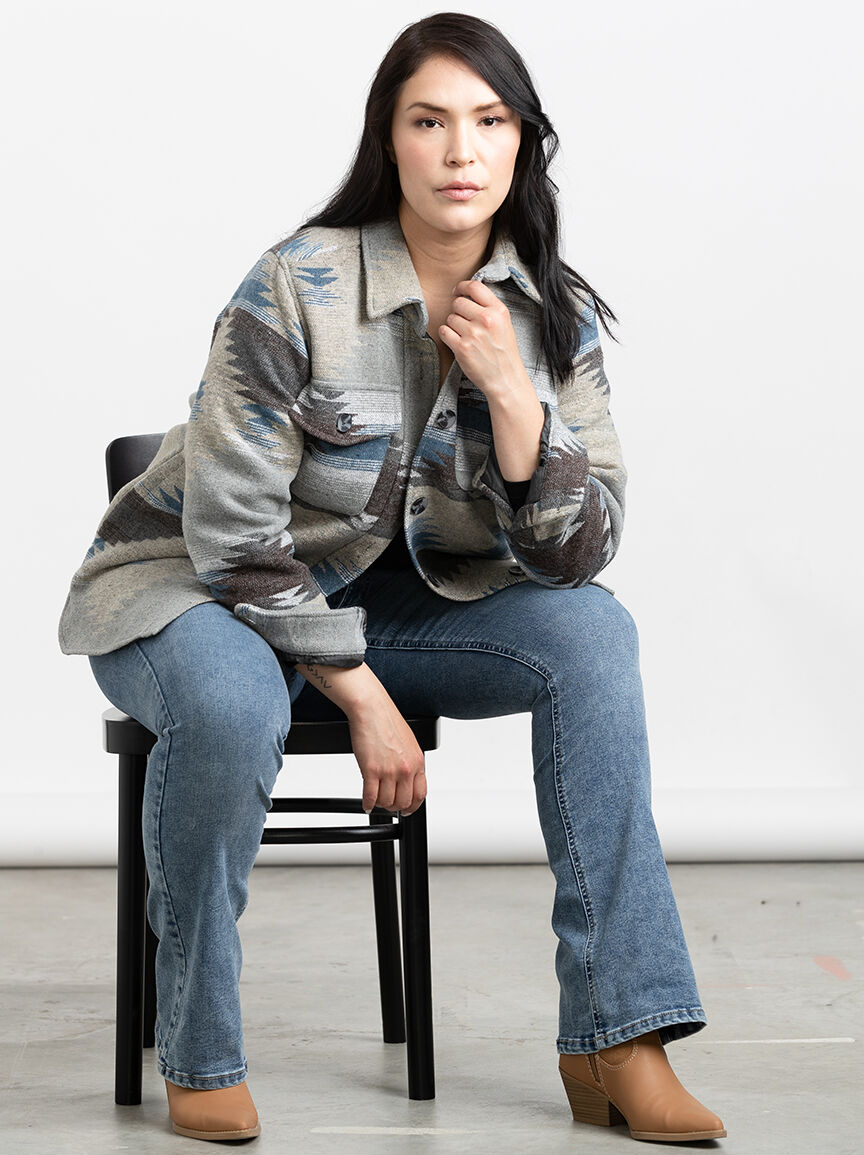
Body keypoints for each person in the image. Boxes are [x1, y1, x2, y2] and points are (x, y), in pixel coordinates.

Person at [58, 12, 726, 1145]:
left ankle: (622, 1036)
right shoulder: (296, 284)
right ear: (391, 140)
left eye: (490, 121)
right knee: (232, 701)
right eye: (430, 122)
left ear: (522, 144)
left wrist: (514, 398)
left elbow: (578, 555)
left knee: (595, 635)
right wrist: (361, 694)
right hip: (189, 589)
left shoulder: (551, 313)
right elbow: (231, 536)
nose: (462, 150)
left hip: (394, 600)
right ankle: (199, 1044)